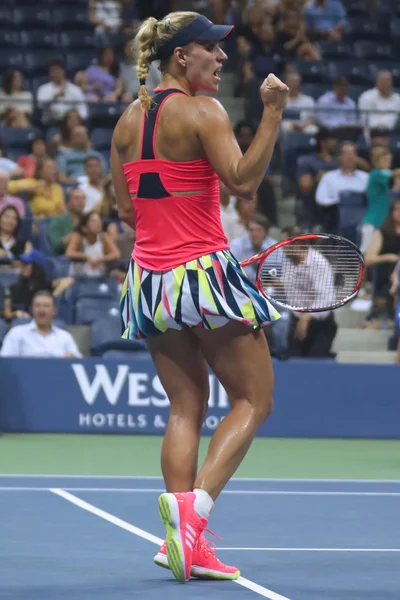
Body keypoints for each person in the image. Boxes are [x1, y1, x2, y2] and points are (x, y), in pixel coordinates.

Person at [111, 11, 288, 583]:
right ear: (182, 56)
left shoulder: (126, 122)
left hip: (150, 281)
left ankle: (179, 544)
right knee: (254, 401)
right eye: (213, 49)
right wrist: (273, 113)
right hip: (202, 275)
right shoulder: (204, 111)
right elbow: (242, 183)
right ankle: (193, 514)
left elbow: (124, 211)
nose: (223, 59)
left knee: (186, 406)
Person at [1, 290, 82, 358]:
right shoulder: (17, 333)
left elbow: (79, 363)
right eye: (37, 306)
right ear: (32, 309)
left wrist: (72, 357)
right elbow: (5, 364)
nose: (41, 310)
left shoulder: (65, 337)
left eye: (46, 306)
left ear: (54, 311)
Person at [66, 211, 120, 277]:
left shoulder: (103, 237)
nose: (98, 223)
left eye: (99, 220)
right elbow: (69, 253)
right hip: (80, 276)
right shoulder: (78, 236)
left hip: (100, 276)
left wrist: (102, 259)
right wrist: (86, 256)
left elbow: (116, 254)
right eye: (93, 221)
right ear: (84, 228)